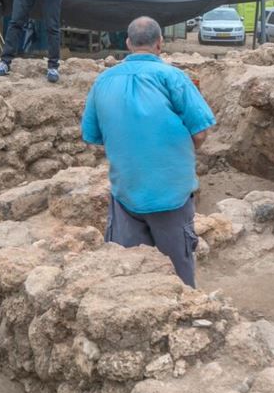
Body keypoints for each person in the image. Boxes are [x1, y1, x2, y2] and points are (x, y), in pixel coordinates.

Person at [81, 17, 215, 288]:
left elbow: (93, 136)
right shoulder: (173, 77)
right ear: (160, 43)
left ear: (128, 43)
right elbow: (200, 132)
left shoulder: (103, 81)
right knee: (180, 273)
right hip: (172, 194)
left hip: (126, 192)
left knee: (129, 272)